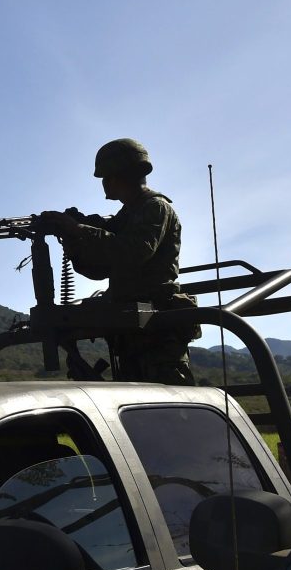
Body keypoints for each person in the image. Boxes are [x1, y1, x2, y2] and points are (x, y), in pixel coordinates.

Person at [40, 138, 197, 385]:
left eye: (106, 176)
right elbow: (100, 269)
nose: (104, 184)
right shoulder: (126, 215)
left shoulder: (156, 207)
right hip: (130, 331)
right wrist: (73, 242)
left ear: (119, 175)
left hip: (157, 331)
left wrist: (79, 229)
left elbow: (134, 252)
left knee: (173, 413)